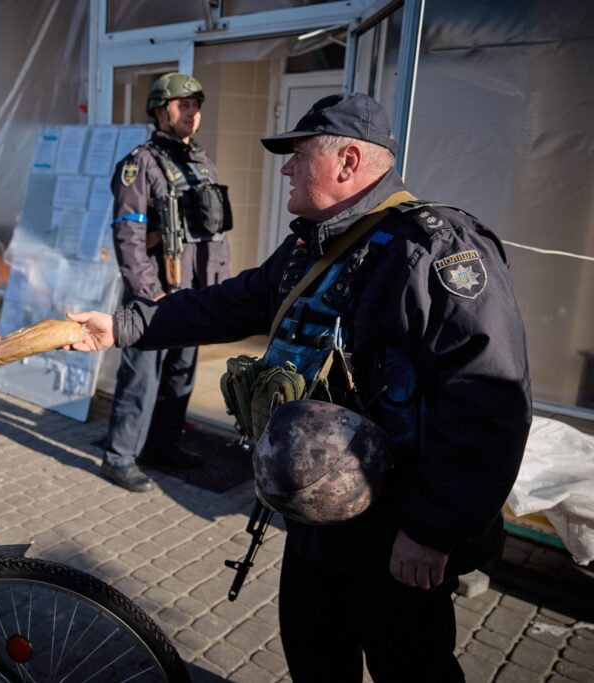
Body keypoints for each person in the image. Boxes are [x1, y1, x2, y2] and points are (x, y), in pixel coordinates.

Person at [67, 93, 531, 681]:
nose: (284, 166)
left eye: (298, 153)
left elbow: (490, 403)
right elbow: (229, 303)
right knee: (313, 659)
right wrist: (123, 326)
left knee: (412, 669)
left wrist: (430, 531)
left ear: (349, 162)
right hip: (315, 524)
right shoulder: (315, 242)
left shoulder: (436, 249)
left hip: (397, 538)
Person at [100, 72, 232, 493]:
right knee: (141, 377)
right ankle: (119, 456)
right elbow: (128, 235)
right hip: (154, 293)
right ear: (161, 110)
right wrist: (148, 292)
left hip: (194, 292)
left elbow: (213, 232)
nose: (192, 114)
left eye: (196, 106)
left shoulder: (201, 160)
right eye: (183, 106)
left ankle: (163, 446)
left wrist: (217, 288)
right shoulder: (140, 164)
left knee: (181, 375)